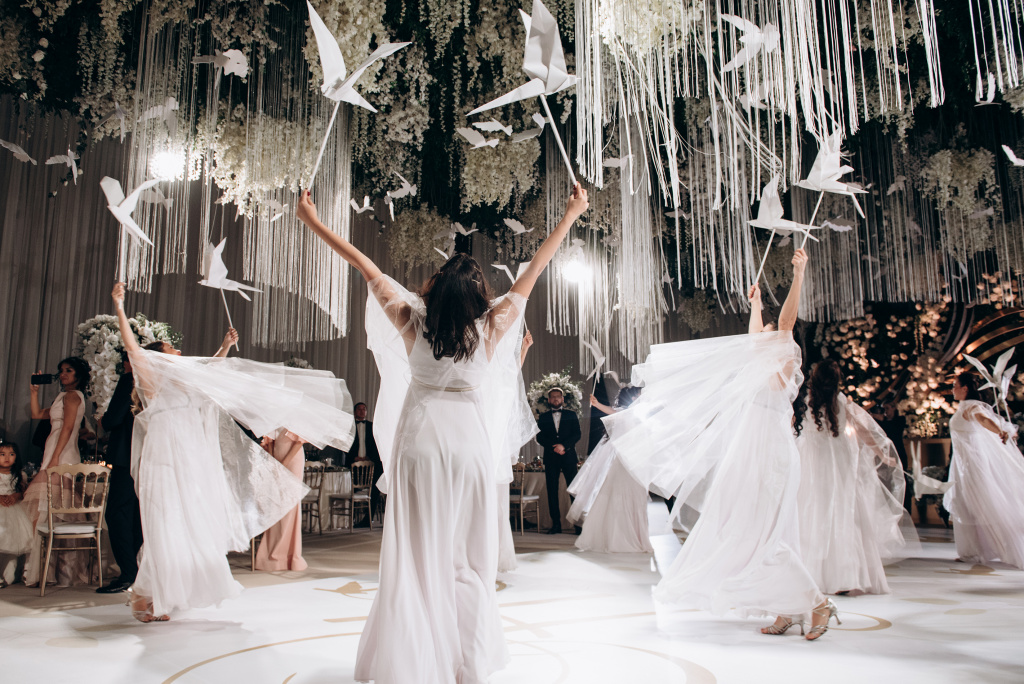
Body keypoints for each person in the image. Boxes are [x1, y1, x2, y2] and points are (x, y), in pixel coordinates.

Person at [296, 184, 588, 683]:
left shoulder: (411, 319)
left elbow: (364, 265)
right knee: (469, 557)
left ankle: (413, 661)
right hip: (470, 448)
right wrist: (571, 214)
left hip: (421, 445)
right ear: (477, 293)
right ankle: (464, 666)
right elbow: (536, 267)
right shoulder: (493, 325)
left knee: (415, 555)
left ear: (436, 287)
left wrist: (313, 222)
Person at [605, 249, 839, 641]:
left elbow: (785, 323)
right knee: (744, 531)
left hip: (771, 456)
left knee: (763, 534)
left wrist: (799, 274)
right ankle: (787, 607)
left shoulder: (785, 359)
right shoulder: (758, 362)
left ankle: (816, 603)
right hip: (750, 453)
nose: (762, 334)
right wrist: (756, 304)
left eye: (768, 332)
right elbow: (755, 335)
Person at [110, 283, 354, 622]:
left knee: (186, 525)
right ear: (160, 358)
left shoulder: (188, 384)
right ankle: (145, 594)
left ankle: (162, 595)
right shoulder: (152, 381)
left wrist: (224, 346)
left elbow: (211, 371)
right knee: (164, 523)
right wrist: (120, 307)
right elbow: (132, 347)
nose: (179, 352)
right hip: (164, 461)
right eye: (171, 349)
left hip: (190, 462)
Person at [794, 358, 917, 595]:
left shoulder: (806, 403)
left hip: (814, 467)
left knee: (816, 513)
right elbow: (864, 431)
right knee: (846, 514)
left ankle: (816, 575)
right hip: (841, 466)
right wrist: (882, 453)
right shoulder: (843, 403)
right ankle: (847, 575)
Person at [944, 372, 1024, 569]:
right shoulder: (964, 406)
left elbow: (983, 420)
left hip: (973, 464)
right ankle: (972, 551)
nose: (952, 389)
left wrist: (999, 431)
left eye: (955, 385)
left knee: (984, 504)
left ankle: (1004, 546)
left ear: (965, 388)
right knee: (966, 505)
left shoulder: (973, 407)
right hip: (962, 464)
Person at [23, 357, 90, 587]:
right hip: (54, 451)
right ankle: (46, 571)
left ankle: (45, 571)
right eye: (61, 370)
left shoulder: (73, 396)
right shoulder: (63, 396)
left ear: (78, 375)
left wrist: (55, 458)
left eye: (68, 370)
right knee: (47, 510)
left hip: (62, 453)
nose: (63, 374)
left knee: (51, 510)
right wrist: (34, 392)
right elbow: (36, 414)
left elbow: (69, 428)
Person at [567, 388, 653, 553]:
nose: (642, 398)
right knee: (620, 496)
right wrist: (597, 404)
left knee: (637, 498)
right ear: (632, 398)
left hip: (637, 462)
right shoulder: (623, 412)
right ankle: (619, 537)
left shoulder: (640, 415)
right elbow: (611, 411)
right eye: (639, 395)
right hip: (623, 462)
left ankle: (638, 537)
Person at [95, 354, 142, 593]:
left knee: (117, 514)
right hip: (145, 457)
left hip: (125, 456)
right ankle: (137, 570)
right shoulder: (155, 382)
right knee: (137, 516)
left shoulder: (130, 380)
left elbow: (113, 419)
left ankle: (128, 573)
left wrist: (103, 420)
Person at [254, 431, 308, 571]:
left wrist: (283, 463)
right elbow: (271, 439)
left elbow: (299, 442)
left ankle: (288, 556)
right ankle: (271, 553)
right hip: (276, 458)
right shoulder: (274, 418)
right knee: (275, 504)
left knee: (289, 505)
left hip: (293, 459)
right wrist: (273, 462)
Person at [536, 387, 582, 534]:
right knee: (552, 491)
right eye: (553, 397)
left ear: (562, 399)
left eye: (558, 396)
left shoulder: (571, 414)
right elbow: (539, 437)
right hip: (551, 457)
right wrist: (553, 447)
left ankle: (578, 524)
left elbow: (577, 434)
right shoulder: (543, 417)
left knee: (573, 490)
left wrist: (564, 446)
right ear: (549, 400)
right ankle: (556, 524)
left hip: (569, 457)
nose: (556, 399)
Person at [0, 442, 33, 587]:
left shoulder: (20, 474)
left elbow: (22, 492)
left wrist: (15, 496)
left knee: (16, 538)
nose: (7, 458)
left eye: (11, 454)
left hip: (15, 510)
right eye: (2, 454)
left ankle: (15, 572)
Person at [872, 399, 913, 513]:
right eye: (883, 409)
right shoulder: (881, 422)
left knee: (902, 479)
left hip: (898, 453)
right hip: (885, 455)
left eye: (887, 408)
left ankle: (906, 509)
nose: (885, 411)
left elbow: (892, 432)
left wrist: (881, 420)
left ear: (894, 408)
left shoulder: (900, 420)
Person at [348, 402, 383, 525]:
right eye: (359, 409)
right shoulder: (350, 426)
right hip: (353, 464)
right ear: (354, 412)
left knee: (374, 489)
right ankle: (350, 518)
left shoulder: (372, 426)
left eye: (364, 409)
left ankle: (368, 518)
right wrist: (354, 458)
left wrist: (369, 458)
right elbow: (345, 445)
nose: (362, 411)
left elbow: (376, 445)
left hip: (371, 464)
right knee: (351, 489)